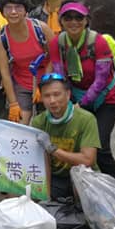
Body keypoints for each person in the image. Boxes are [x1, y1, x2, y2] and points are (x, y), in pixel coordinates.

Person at [55, 1, 115, 184]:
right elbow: (60, 75)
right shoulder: (58, 42)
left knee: (99, 146)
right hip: (78, 95)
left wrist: (80, 104)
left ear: (86, 20)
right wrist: (66, 102)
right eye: (68, 17)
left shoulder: (98, 42)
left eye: (79, 17)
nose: (73, 22)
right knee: (78, 144)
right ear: (61, 21)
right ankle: (91, 186)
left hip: (107, 97)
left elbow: (101, 79)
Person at [30, 73, 100, 201]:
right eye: (47, 96)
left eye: (57, 94)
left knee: (82, 183)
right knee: (20, 193)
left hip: (83, 175)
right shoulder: (39, 122)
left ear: (67, 95)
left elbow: (88, 160)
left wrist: (53, 149)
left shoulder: (86, 119)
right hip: (56, 178)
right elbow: (43, 162)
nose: (52, 101)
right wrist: (46, 197)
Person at [0, 0, 57, 125]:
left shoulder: (40, 28)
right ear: (2, 12)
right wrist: (13, 103)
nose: (13, 12)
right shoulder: (1, 38)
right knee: (20, 126)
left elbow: (55, 56)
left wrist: (45, 82)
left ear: (25, 10)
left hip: (47, 80)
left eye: (18, 7)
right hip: (21, 83)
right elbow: (5, 73)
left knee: (49, 125)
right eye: (8, 8)